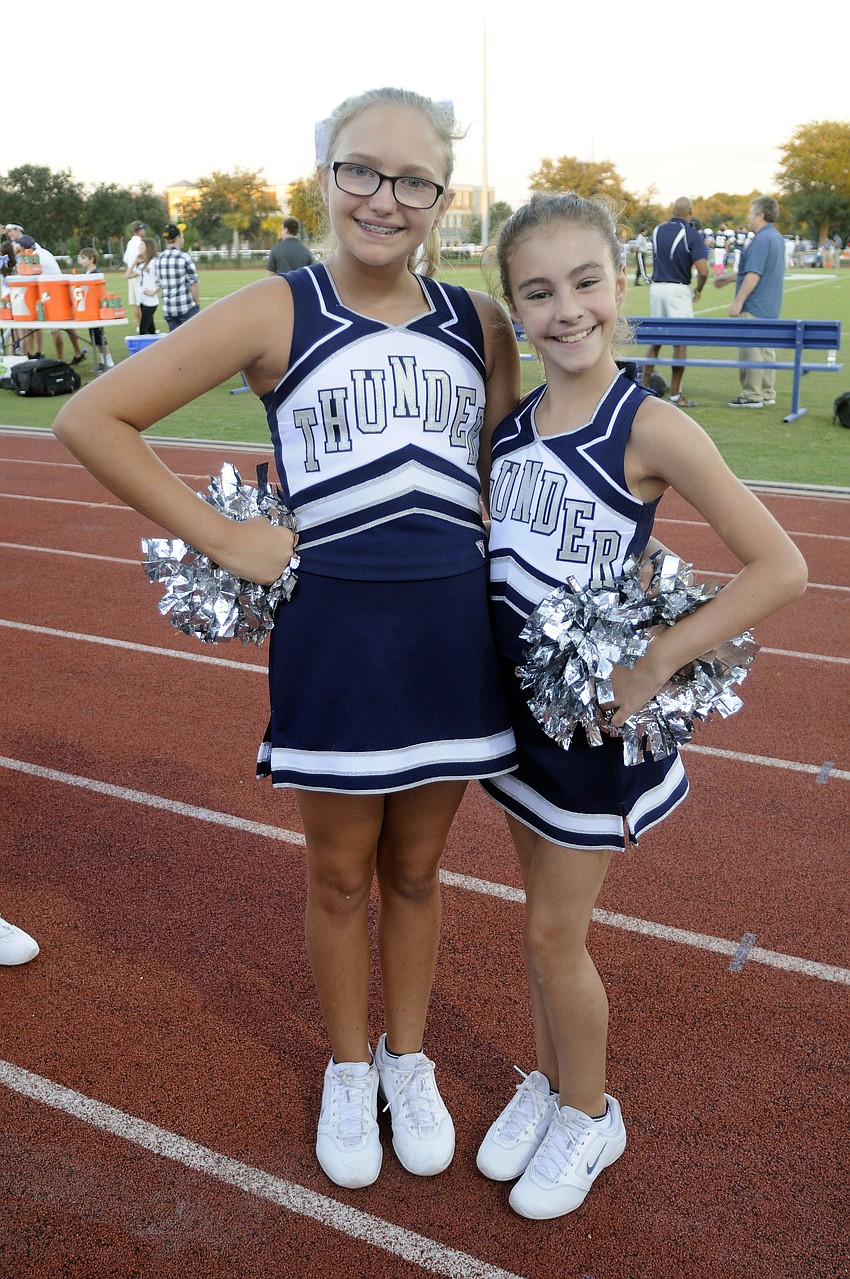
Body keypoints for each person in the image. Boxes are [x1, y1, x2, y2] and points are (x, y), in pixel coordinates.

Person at [53, 86, 520, 1192]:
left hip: (449, 640)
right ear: (324, 176)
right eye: (361, 170)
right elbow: (91, 417)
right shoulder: (278, 309)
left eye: (413, 180)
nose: (383, 197)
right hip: (339, 641)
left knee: (417, 870)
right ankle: (348, 1065)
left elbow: (499, 475)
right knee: (338, 874)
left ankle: (411, 1058)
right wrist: (221, 533)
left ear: (441, 199)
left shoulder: (477, 322)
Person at [475, 191, 807, 1221]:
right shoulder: (515, 426)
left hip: (592, 729)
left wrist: (656, 661)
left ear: (620, 285)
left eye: (584, 282)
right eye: (538, 292)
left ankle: (591, 1113)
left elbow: (780, 567)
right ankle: (547, 1082)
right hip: (519, 714)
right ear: (515, 312)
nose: (566, 308)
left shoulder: (650, 424)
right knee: (536, 924)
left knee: (550, 935)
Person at [714, 196, 786, 408]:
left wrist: (738, 302)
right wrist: (728, 278)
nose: (748, 217)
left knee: (751, 351)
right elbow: (755, 270)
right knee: (766, 350)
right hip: (770, 304)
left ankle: (751, 395)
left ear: (760, 215)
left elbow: (754, 274)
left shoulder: (761, 239)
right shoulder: (776, 237)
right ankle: (766, 391)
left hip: (755, 304)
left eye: (750, 213)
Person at [640, 197, 708, 408]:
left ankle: (642, 390)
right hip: (678, 289)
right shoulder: (691, 233)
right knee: (680, 342)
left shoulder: (657, 230)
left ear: (672, 210)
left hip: (656, 287)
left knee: (656, 341)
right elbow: (703, 270)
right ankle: (676, 395)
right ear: (690, 212)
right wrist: (698, 289)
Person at [9, 229, 86, 364]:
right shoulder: (44, 252)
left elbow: (28, 278)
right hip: (63, 287)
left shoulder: (33, 257)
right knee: (67, 324)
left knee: (54, 328)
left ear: (22, 247)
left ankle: (59, 360)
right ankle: (77, 352)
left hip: (52, 291)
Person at [155, 224, 200, 330]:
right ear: (178, 237)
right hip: (185, 308)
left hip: (168, 309)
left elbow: (159, 283)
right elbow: (194, 283)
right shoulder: (184, 257)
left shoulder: (159, 258)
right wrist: (196, 302)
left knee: (176, 343)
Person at [78, 248, 115, 371]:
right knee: (95, 336)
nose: (81, 260)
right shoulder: (88, 273)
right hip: (90, 310)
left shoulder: (95, 273)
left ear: (91, 259)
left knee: (99, 336)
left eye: (83, 257)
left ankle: (108, 361)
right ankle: (103, 361)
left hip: (96, 309)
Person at [123, 221, 147, 330]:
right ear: (140, 230)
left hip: (130, 273)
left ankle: (139, 325)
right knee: (143, 302)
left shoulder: (129, 243)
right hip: (139, 274)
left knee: (135, 303)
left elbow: (126, 258)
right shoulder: (141, 243)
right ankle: (145, 327)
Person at [137, 237, 160, 334]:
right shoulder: (143, 265)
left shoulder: (154, 263)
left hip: (151, 301)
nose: (139, 247)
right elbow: (127, 275)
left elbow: (162, 279)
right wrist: (135, 261)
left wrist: (153, 291)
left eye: (141, 245)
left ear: (148, 247)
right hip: (143, 300)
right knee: (151, 330)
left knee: (143, 330)